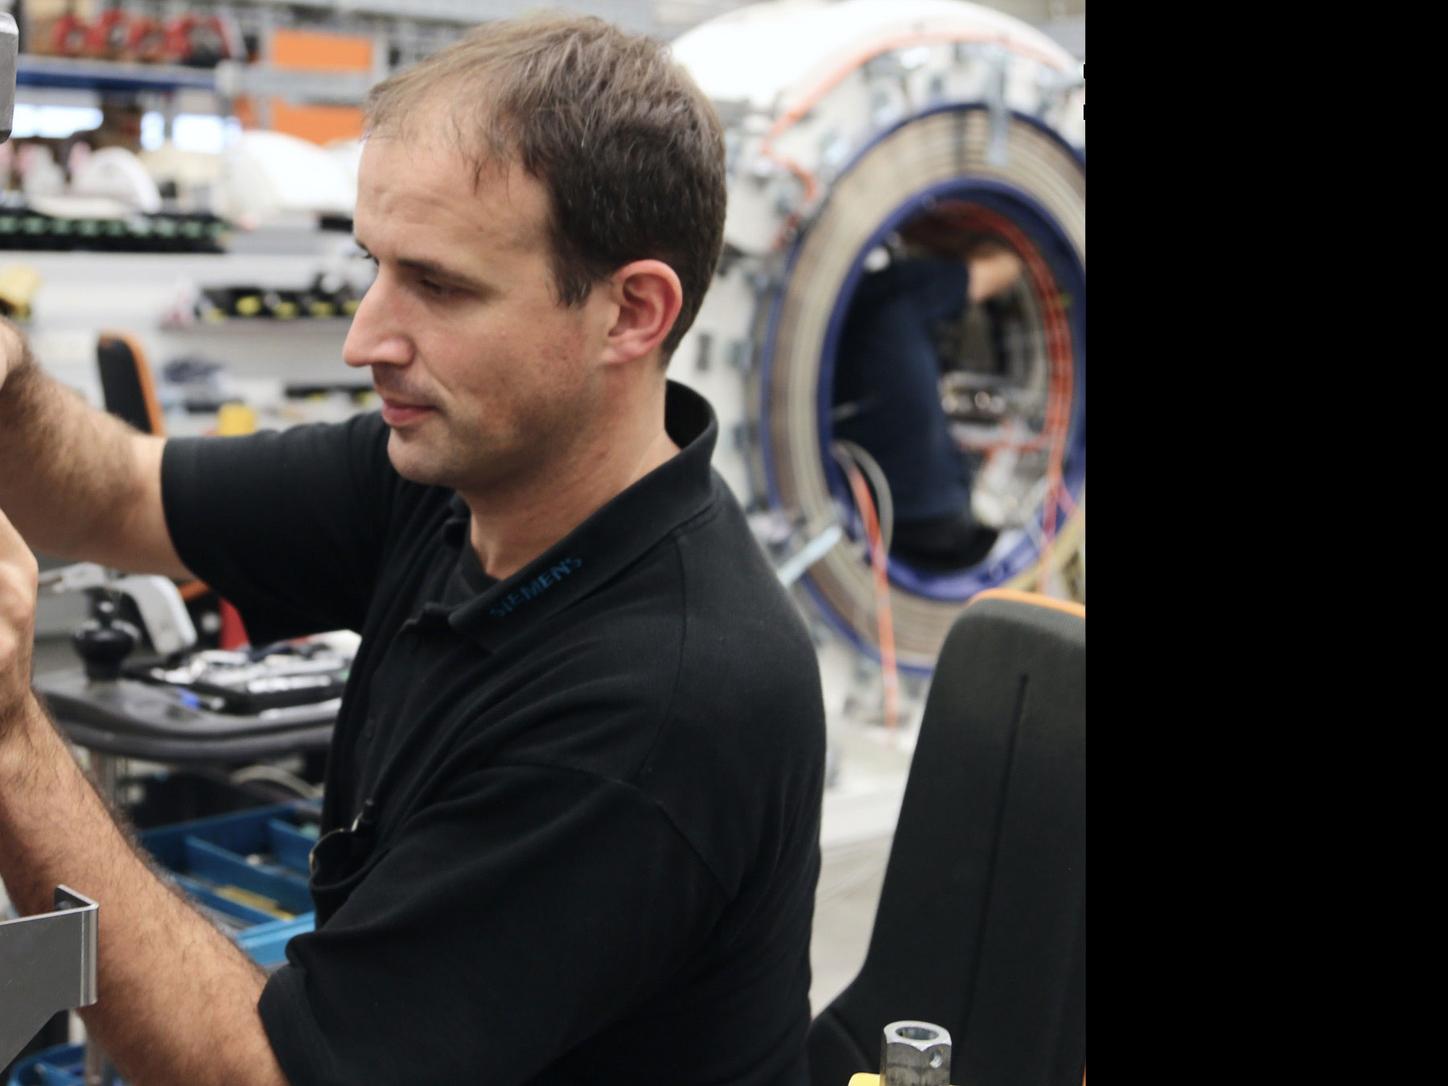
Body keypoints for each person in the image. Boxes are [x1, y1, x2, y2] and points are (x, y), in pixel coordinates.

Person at [0, 14, 826, 1085]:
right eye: (374, 267)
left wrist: (14, 739)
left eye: (438, 286)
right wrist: (8, 380)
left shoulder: (663, 702)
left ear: (631, 311)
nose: (364, 339)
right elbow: (117, 494)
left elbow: (267, 1077)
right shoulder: (452, 476)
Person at [832, 233, 1023, 571]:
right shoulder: (908, 284)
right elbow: (1006, 266)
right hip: (936, 521)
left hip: (857, 516)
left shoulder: (837, 305)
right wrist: (952, 234)